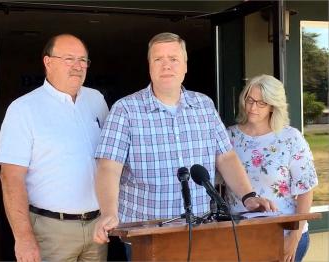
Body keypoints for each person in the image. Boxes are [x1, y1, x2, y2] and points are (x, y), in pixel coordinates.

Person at [93, 32, 276, 244]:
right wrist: (108, 212)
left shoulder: (204, 106)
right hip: (146, 234)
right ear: (149, 65)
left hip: (198, 229)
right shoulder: (125, 110)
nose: (166, 65)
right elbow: (108, 167)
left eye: (173, 59)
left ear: (185, 66)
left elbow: (226, 157)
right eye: (158, 59)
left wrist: (248, 196)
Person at [0, 34, 109, 262]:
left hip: (97, 228)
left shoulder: (96, 99)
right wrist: (24, 238)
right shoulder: (23, 109)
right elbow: (11, 178)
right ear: (48, 62)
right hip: (50, 231)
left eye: (83, 60)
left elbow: (109, 160)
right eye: (69, 59)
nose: (78, 67)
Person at [224, 74, 318, 262]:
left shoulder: (290, 138)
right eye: (249, 100)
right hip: (239, 236)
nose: (252, 107)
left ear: (273, 106)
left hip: (283, 234)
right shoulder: (229, 136)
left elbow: (306, 192)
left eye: (261, 103)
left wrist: (295, 236)